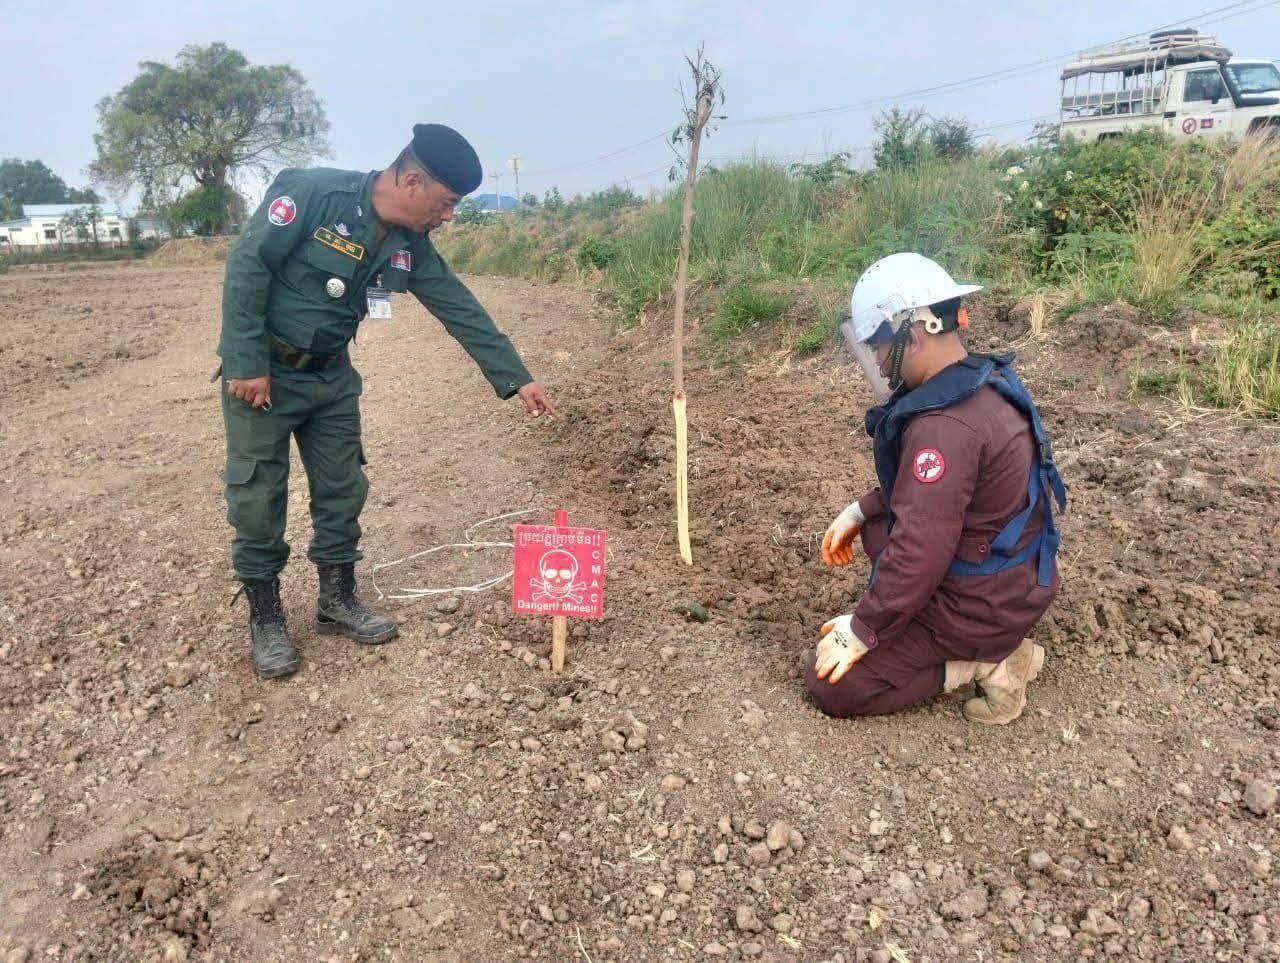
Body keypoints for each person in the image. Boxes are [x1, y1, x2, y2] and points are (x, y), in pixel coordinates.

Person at [217, 123, 558, 680]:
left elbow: (458, 305)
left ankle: (337, 599)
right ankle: (266, 616)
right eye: (445, 203)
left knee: (343, 486)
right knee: (257, 496)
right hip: (265, 379)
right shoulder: (311, 194)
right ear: (411, 179)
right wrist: (247, 362)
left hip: (330, 380)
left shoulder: (409, 246)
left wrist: (516, 377)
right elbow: (248, 265)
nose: (448, 215)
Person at [807, 252, 1065, 724]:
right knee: (878, 529)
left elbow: (921, 547)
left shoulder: (944, 427)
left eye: (880, 345)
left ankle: (989, 661)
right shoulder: (980, 382)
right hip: (1011, 576)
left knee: (834, 687)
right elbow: (949, 492)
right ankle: (953, 634)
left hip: (984, 603)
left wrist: (863, 630)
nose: (880, 362)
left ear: (915, 329)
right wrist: (862, 510)